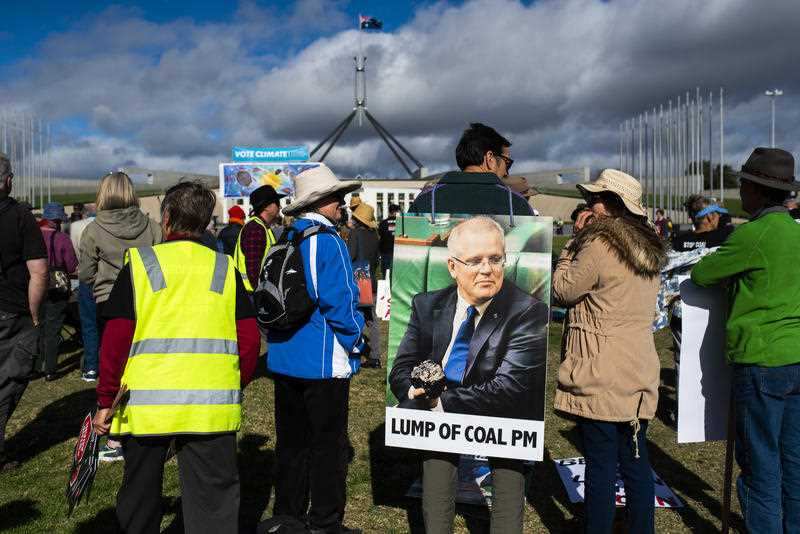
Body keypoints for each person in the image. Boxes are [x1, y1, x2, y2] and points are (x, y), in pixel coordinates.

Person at [92, 181, 260, 534]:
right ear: (204, 223)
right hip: (211, 405)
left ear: (166, 218)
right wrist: (232, 382)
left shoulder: (140, 263)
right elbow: (248, 339)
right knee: (213, 501)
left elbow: (116, 339)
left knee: (140, 495)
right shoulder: (224, 267)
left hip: (146, 407)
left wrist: (106, 399)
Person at [389, 216, 548, 534]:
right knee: (436, 464)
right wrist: (416, 393)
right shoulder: (427, 305)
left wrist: (435, 401)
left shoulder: (528, 311)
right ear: (452, 266)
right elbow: (401, 370)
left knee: (508, 472)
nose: (487, 269)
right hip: (437, 406)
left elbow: (509, 389)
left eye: (495, 258)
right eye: (475, 261)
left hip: (500, 415)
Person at [691, 148, 800, 533]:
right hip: (795, 356)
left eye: (743, 186)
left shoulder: (753, 235)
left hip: (762, 359)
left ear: (755, 190)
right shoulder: (796, 230)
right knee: (792, 461)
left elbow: (703, 274)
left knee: (760, 466)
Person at [553, 169, 666, 534]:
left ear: (615, 206)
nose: (588, 205)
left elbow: (564, 291)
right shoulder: (646, 248)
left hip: (601, 368)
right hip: (638, 366)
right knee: (635, 461)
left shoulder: (599, 245)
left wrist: (572, 245)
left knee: (600, 464)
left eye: (596, 199)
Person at [267, 164, 364, 534]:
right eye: (336, 198)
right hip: (323, 362)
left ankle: (287, 516)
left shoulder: (284, 237)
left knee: (291, 445)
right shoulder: (328, 241)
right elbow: (340, 303)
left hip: (283, 355)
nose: (341, 205)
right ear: (321, 203)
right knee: (328, 446)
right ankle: (325, 521)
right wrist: (358, 342)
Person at [79, 171, 162, 461]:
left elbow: (86, 273)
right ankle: (151, 426)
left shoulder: (94, 230)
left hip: (110, 304)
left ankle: (116, 436)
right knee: (147, 365)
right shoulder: (152, 226)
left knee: (114, 365)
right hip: (147, 301)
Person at [0, 154, 48, 472]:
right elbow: (39, 272)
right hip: (11, 312)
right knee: (7, 382)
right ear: (6, 180)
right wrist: (34, 314)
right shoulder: (19, 215)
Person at [408, 123, 534, 216]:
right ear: (490, 158)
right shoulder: (516, 204)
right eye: (507, 162)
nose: (506, 172)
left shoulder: (424, 201)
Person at [36, 202, 78, 381]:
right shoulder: (62, 239)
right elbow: (71, 266)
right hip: (57, 288)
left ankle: (37, 365)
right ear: (59, 220)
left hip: (36, 285)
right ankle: (50, 370)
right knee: (53, 329)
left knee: (39, 327)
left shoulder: (33, 236)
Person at [348, 202, 382, 369]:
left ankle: (353, 351)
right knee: (373, 322)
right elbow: (376, 260)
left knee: (355, 318)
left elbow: (350, 256)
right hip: (371, 280)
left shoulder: (355, 234)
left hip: (358, 279)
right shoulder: (374, 235)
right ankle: (375, 356)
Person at [233, 185, 285, 293]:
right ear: (267, 207)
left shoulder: (263, 227)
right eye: (277, 203)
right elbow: (253, 271)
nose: (280, 207)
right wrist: (264, 295)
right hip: (252, 295)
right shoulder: (255, 229)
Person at [70, 206, 100, 381]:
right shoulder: (104, 226)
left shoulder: (77, 227)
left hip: (86, 276)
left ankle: (91, 367)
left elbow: (76, 252)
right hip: (104, 276)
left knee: (89, 326)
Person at [378, 203, 400, 274]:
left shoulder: (383, 223)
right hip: (398, 253)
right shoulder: (401, 223)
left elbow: (379, 236)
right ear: (396, 212)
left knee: (386, 276)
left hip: (385, 253)